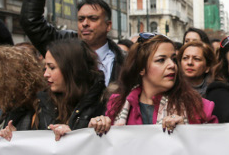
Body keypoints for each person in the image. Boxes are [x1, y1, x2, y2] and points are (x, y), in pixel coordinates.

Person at [20, 0, 124, 86]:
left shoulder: (125, 62)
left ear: (108, 25)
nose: (85, 24)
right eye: (81, 19)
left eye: (92, 19)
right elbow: (31, 21)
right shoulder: (64, 46)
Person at [89, 34, 217, 135]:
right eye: (161, 60)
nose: (172, 65)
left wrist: (186, 133)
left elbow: (214, 151)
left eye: (173, 59)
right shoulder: (117, 105)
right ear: (141, 68)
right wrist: (96, 130)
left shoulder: (198, 106)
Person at [35, 38, 107, 141]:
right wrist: (15, 136)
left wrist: (73, 136)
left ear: (72, 69)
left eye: (52, 67)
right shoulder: (41, 102)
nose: (45, 74)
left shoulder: (105, 103)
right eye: (45, 68)